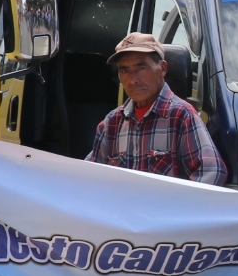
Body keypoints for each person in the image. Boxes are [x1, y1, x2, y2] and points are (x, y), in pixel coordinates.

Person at [85, 32, 226, 184]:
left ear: (163, 68)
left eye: (141, 67)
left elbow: (212, 172)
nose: (133, 80)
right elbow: (90, 175)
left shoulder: (181, 115)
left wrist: (176, 206)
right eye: (125, 70)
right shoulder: (112, 122)